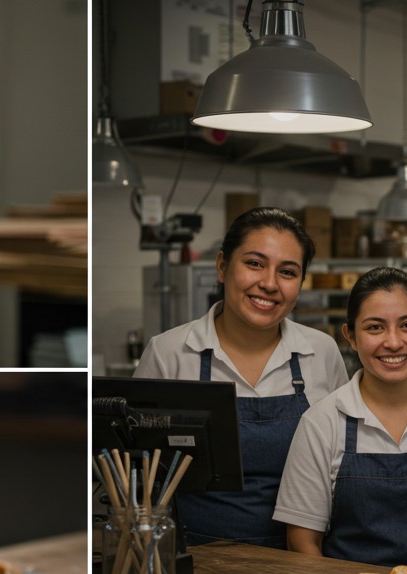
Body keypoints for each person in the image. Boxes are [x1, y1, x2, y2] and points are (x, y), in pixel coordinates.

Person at [135, 207, 348, 547]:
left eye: (288, 272)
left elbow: (343, 464)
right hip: (193, 557)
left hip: (302, 554)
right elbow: (140, 473)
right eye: (254, 263)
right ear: (222, 266)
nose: (269, 283)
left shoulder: (321, 352)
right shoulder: (169, 352)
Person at [276, 267, 407, 573]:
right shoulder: (322, 420)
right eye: (375, 328)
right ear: (350, 337)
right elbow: (303, 541)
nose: (393, 342)